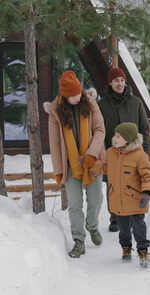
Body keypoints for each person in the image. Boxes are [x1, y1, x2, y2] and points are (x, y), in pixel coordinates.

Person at [44, 70, 105, 258]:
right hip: (71, 165)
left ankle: (92, 226)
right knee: (75, 204)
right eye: (71, 96)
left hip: (93, 162)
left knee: (95, 199)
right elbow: (54, 144)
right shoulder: (56, 113)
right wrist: (59, 170)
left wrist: (92, 154)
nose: (76, 98)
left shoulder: (91, 103)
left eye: (78, 93)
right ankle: (79, 240)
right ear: (64, 95)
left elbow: (100, 129)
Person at [98, 67, 150, 232]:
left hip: (134, 153)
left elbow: (145, 129)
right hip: (112, 152)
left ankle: (134, 215)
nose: (119, 84)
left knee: (132, 183)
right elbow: (98, 129)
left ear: (125, 82)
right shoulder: (102, 104)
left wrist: (146, 153)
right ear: (110, 83)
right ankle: (114, 217)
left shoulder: (135, 103)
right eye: (115, 81)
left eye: (121, 80)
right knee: (113, 185)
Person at [104, 122, 150, 268]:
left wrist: (146, 192)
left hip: (136, 200)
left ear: (128, 138)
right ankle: (126, 248)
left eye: (119, 136)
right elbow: (105, 168)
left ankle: (143, 250)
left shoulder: (140, 156)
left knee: (139, 227)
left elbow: (148, 177)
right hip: (118, 200)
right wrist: (93, 167)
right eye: (115, 135)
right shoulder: (111, 153)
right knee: (123, 229)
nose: (115, 138)